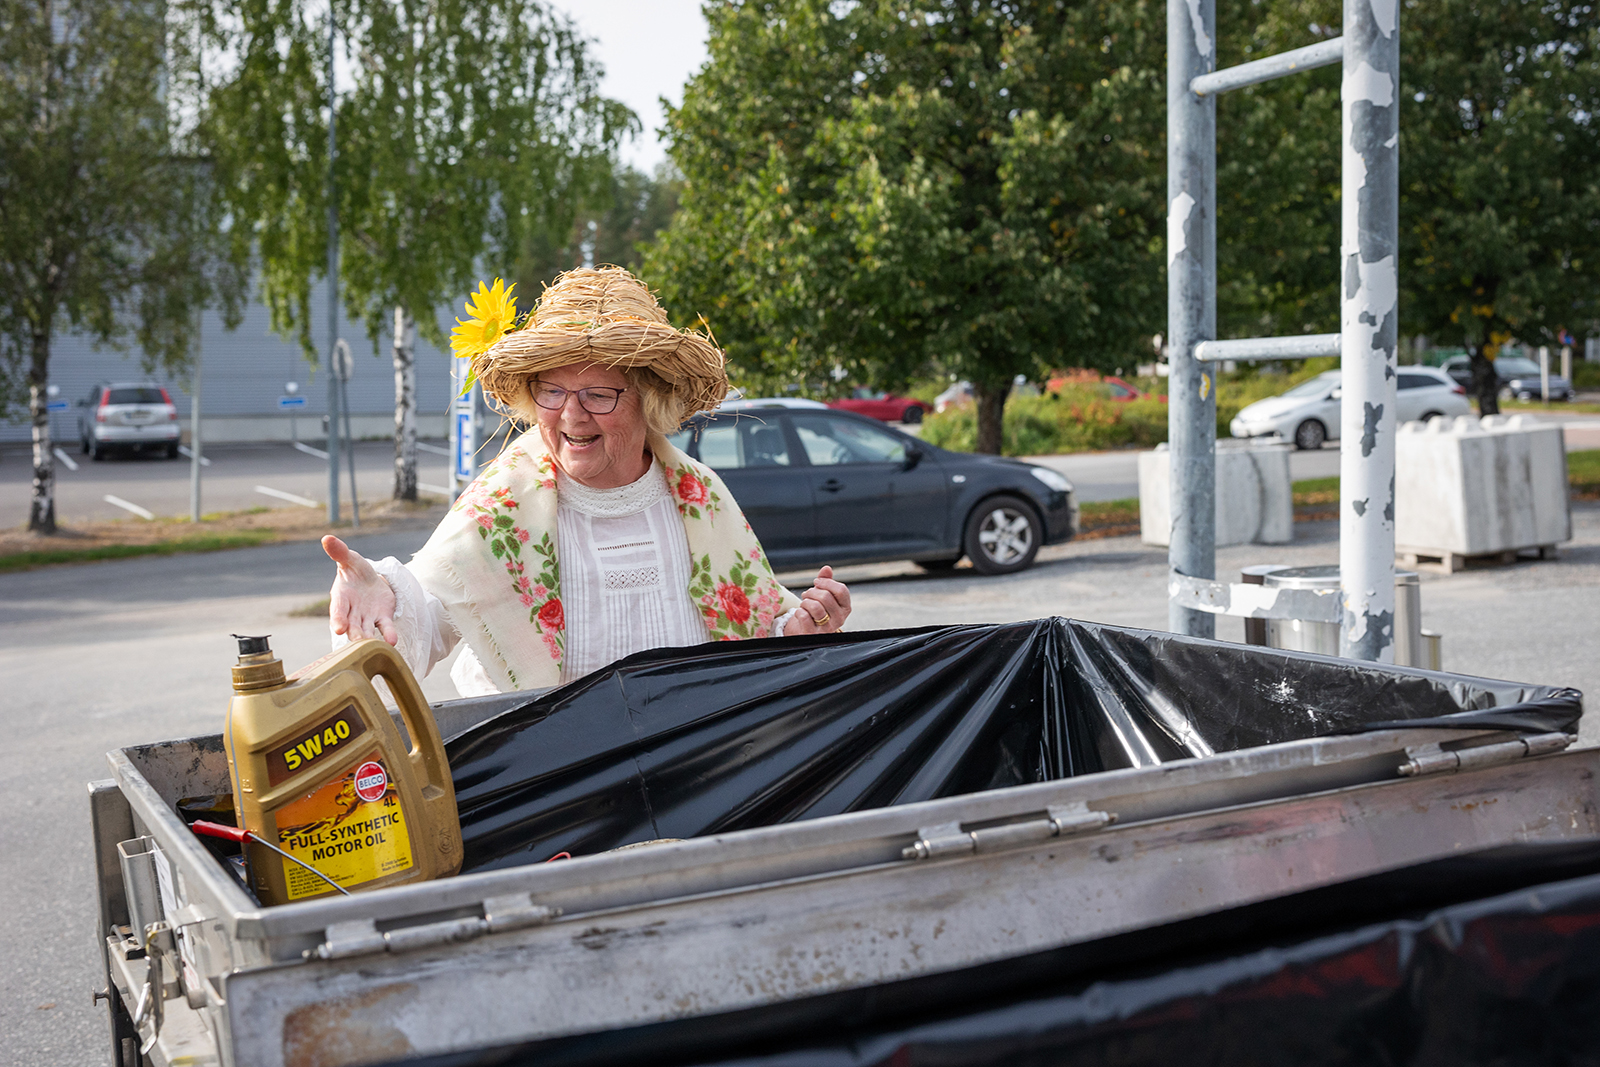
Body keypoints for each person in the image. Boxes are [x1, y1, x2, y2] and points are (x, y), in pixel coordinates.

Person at [322, 266, 852, 696]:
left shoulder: (699, 494)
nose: (572, 416)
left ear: (650, 401)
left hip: (693, 780)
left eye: (598, 395)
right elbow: (429, 614)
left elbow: (757, 632)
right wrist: (380, 599)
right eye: (552, 392)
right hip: (549, 789)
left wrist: (800, 630)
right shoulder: (503, 504)